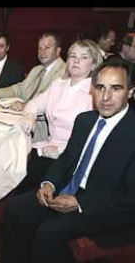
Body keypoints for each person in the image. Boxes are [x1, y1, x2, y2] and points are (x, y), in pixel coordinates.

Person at [0, 58, 135, 263]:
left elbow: (130, 197)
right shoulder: (85, 120)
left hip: (104, 207)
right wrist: (48, 183)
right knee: (15, 208)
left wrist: (80, 203)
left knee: (48, 232)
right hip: (68, 190)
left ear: (130, 92)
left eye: (116, 88)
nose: (106, 97)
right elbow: (66, 159)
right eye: (100, 87)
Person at [15, 39, 103, 194]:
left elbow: (92, 139)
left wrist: (60, 151)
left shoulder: (95, 93)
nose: (76, 61)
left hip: (71, 160)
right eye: (72, 56)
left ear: (94, 65)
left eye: (84, 57)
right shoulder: (58, 84)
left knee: (24, 190)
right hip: (46, 149)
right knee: (14, 171)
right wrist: (30, 115)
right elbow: (34, 103)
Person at [0, 32, 66, 142]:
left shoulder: (65, 74)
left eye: (47, 47)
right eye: (40, 48)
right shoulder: (37, 69)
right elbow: (20, 89)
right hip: (18, 118)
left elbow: (53, 106)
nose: (42, 52)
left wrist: (27, 106)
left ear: (58, 51)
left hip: (39, 131)